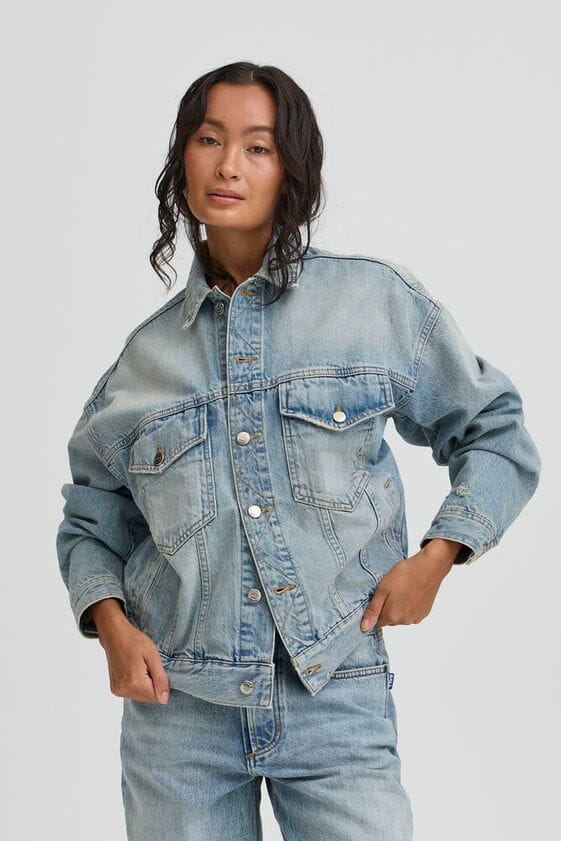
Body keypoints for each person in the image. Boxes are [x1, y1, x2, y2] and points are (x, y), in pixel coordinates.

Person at [56, 61, 541, 841]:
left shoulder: (372, 303)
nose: (228, 165)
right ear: (182, 158)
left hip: (335, 694)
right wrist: (111, 625)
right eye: (209, 140)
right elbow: (90, 519)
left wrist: (439, 555)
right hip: (178, 714)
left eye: (257, 146)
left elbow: (494, 429)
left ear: (292, 169)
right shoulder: (143, 361)